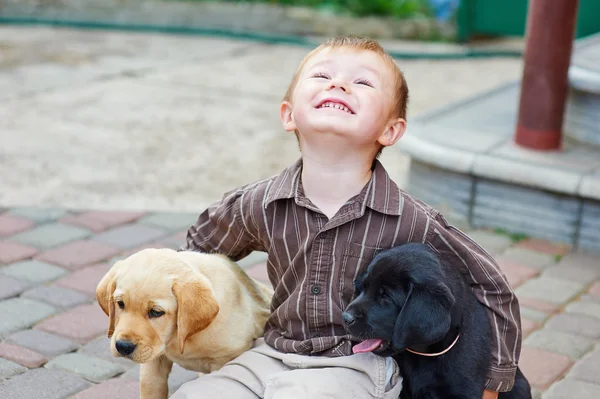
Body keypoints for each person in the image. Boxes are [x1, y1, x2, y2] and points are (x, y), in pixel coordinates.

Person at [172, 36, 521, 399]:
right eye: (322, 76)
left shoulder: (413, 219)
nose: (337, 84)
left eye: (363, 82)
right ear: (289, 114)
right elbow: (194, 255)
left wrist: (493, 381)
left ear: (391, 130)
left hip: (356, 364)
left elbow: (492, 286)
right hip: (271, 352)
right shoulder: (259, 203)